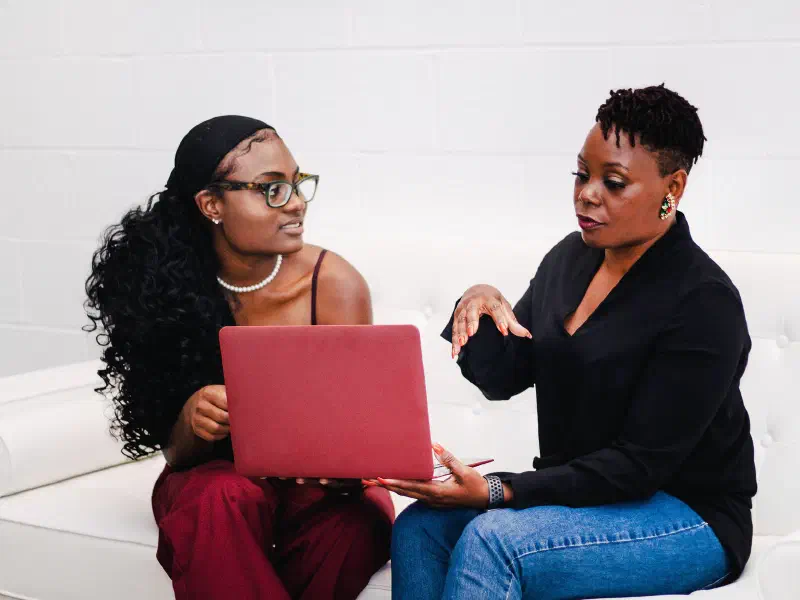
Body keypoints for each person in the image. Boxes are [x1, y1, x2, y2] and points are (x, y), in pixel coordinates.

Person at [375, 85, 757, 599]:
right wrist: (480, 302)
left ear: (674, 187)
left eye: (614, 182)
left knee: (496, 541)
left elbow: (639, 467)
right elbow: (505, 376)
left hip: (688, 515)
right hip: (584, 497)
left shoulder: (703, 302)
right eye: (582, 173)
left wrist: (498, 490)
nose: (587, 193)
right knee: (419, 527)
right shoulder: (569, 260)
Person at [85, 116, 393, 600]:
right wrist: (192, 419)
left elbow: (362, 437)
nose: (294, 203)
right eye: (270, 189)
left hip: (321, 492)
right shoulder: (166, 289)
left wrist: (348, 468)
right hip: (216, 482)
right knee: (221, 498)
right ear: (211, 204)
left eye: (297, 184)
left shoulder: (333, 284)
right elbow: (177, 455)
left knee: (358, 525)